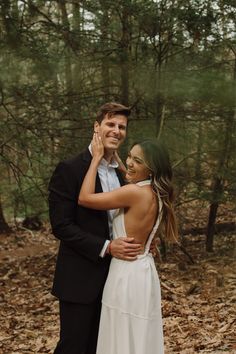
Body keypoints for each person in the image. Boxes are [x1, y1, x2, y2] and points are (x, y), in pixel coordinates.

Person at [48, 102, 143, 354]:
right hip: (80, 278)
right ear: (96, 127)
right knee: (74, 347)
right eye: (110, 124)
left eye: (121, 127)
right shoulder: (69, 169)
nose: (116, 130)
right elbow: (61, 226)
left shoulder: (125, 175)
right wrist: (107, 247)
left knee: (105, 347)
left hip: (118, 278)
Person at [78, 136, 179, 354]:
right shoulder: (157, 192)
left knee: (120, 333)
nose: (130, 163)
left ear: (151, 168)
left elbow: (85, 198)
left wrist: (96, 159)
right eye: (130, 156)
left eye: (138, 161)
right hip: (144, 271)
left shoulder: (133, 193)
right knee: (137, 332)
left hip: (125, 273)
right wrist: (121, 160)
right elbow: (132, 176)